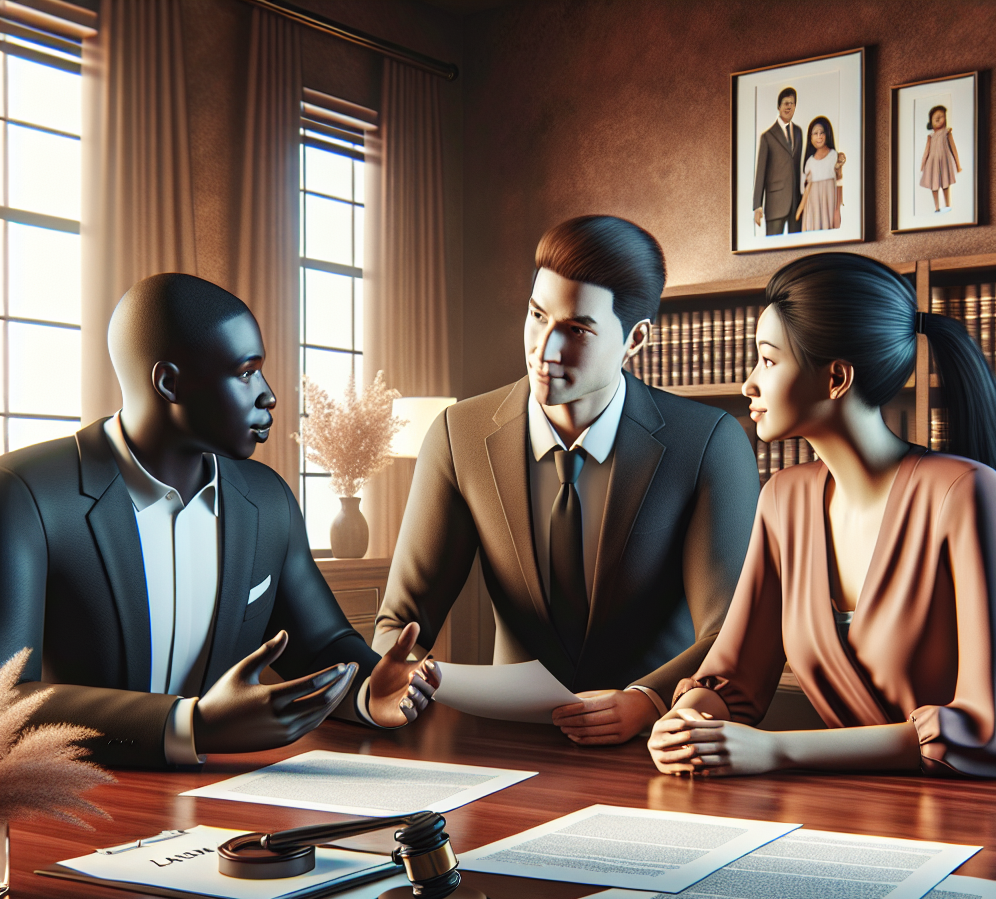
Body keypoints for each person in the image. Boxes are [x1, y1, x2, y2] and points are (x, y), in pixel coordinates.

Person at [0, 274, 439, 768]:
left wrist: (367, 691)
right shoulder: (26, 495)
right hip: (74, 805)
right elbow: (5, 702)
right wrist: (190, 725)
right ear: (170, 383)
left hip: (219, 799)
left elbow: (321, 643)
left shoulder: (266, 499)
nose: (269, 396)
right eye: (247, 373)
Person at [375, 215, 760, 746]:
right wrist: (407, 681)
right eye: (537, 316)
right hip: (503, 746)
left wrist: (646, 700)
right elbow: (401, 623)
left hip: (653, 747)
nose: (544, 350)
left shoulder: (709, 442)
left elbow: (729, 633)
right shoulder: (457, 435)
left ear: (636, 339)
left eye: (577, 330)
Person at [648, 251, 996, 780]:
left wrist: (776, 751)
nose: (749, 385)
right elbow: (731, 682)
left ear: (836, 378)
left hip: (964, 821)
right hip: (841, 811)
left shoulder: (964, 494)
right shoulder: (784, 499)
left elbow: (991, 732)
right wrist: (687, 722)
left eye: (768, 360)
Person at [753, 87, 803, 235]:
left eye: (792, 103)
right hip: (775, 204)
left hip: (796, 204)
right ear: (778, 106)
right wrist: (757, 205)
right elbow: (760, 172)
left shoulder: (799, 132)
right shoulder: (767, 136)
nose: (789, 106)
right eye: (786, 103)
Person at [796, 115, 845, 231]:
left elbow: (839, 183)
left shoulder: (834, 156)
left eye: (821, 133)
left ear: (827, 134)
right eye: (815, 133)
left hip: (829, 204)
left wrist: (837, 209)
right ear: (810, 137)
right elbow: (806, 191)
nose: (819, 137)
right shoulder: (809, 162)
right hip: (813, 208)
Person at [919, 104, 962, 213]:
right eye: (935, 117)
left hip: (944, 163)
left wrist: (958, 165)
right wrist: (922, 165)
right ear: (931, 121)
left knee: (945, 184)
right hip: (932, 164)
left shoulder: (947, 133)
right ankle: (937, 207)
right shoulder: (930, 136)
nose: (938, 118)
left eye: (941, 116)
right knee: (934, 186)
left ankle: (947, 205)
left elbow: (954, 149)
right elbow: (926, 152)